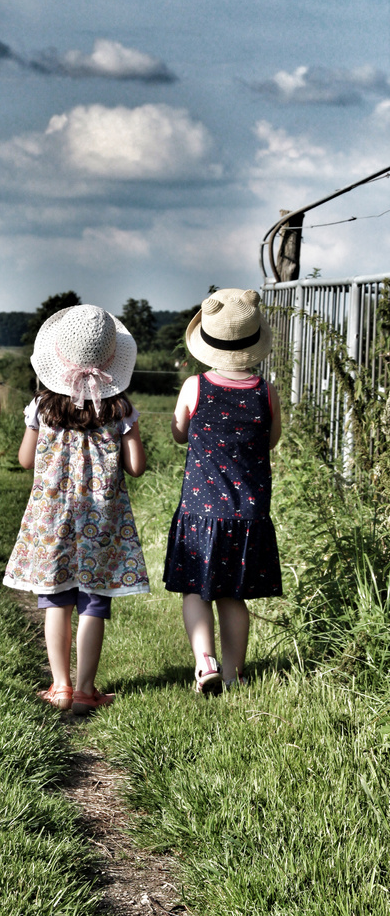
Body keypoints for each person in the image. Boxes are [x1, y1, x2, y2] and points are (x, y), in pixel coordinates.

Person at [3, 304, 149, 715]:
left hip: (52, 517)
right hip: (102, 517)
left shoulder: (42, 407)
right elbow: (136, 468)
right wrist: (132, 432)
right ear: (111, 359)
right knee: (94, 600)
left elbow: (26, 461)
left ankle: (61, 687)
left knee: (55, 599)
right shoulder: (120, 409)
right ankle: (86, 690)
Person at [164, 288, 282, 693]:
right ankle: (233, 674)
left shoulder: (194, 387)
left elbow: (179, 434)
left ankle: (205, 662)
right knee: (234, 597)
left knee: (197, 591)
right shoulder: (266, 392)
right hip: (247, 516)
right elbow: (271, 440)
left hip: (201, 510)